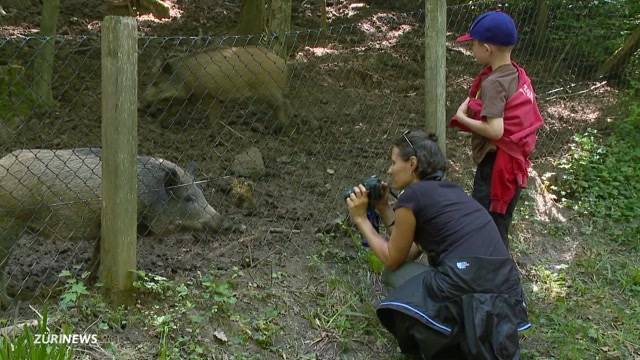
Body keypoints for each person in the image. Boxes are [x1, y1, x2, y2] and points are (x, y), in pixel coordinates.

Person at [345, 130, 530, 359]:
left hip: (466, 282)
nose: (389, 170)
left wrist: (361, 219)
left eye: (393, 162)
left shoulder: (412, 197)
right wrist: (384, 208)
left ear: (412, 164)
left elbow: (393, 259)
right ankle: (465, 341)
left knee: (393, 275)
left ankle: (444, 344)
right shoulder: (451, 193)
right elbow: (409, 251)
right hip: (505, 286)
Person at [450, 10, 544, 248]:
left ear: (487, 48)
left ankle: (495, 276)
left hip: (496, 168)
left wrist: (462, 117)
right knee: (498, 223)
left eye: (473, 44)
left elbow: (495, 131)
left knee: (486, 225)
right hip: (512, 166)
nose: (471, 49)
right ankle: (495, 272)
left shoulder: (494, 83)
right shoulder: (515, 73)